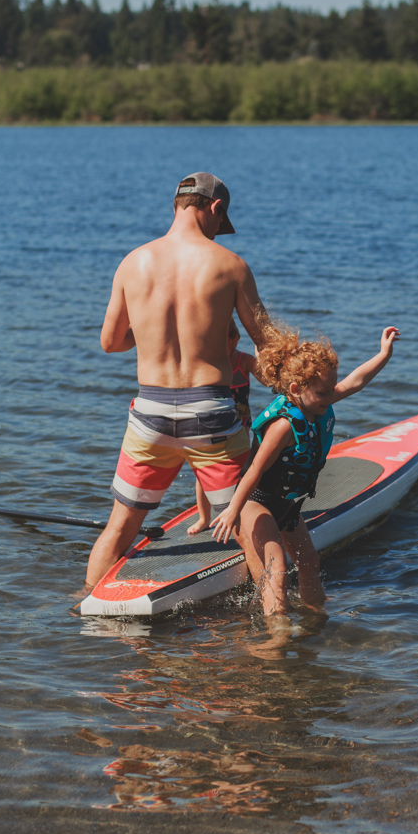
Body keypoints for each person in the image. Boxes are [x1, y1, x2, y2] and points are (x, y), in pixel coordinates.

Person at [85, 172, 268, 589]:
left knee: (118, 530)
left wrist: (150, 333)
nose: (220, 230)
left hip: (149, 415)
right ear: (216, 209)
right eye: (221, 222)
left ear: (176, 205)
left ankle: (87, 618)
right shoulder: (230, 265)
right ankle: (272, 628)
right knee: (250, 524)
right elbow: (267, 344)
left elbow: (111, 342)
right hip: (212, 415)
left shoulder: (134, 262)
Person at [210, 324, 400, 616]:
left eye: (330, 389)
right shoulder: (284, 426)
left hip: (288, 505)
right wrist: (233, 510)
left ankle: (316, 616)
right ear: (297, 390)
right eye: (324, 392)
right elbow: (254, 471)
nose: (330, 396)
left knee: (310, 561)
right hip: (255, 502)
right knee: (277, 567)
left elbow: (355, 382)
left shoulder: (317, 402)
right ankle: (277, 633)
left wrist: (383, 354)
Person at [187, 316, 264, 535]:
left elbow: (268, 380)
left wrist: (263, 355)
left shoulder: (244, 361)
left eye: (229, 343)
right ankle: (204, 518)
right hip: (211, 426)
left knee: (243, 470)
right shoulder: (206, 362)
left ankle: (243, 511)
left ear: (236, 338)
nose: (225, 349)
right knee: (203, 473)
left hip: (240, 424)